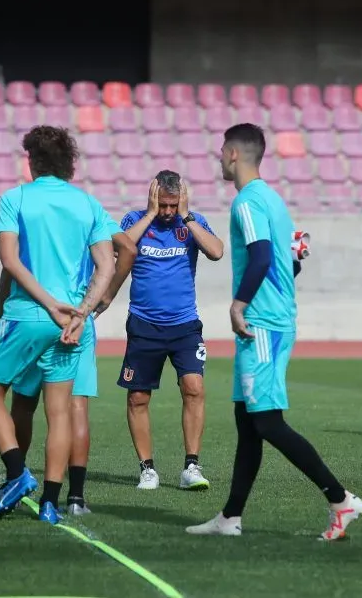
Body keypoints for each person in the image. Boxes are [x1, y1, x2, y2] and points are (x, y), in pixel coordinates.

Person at [187, 123, 362, 541]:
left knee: (266, 421)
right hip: (270, 320)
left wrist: (238, 303)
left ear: (232, 153)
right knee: (247, 421)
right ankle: (230, 517)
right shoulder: (273, 199)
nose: (218, 157)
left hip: (262, 323)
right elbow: (289, 259)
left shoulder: (248, 203)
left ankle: (341, 500)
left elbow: (263, 257)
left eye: (220, 150)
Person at [0, 125, 116, 524]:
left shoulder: (15, 198)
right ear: (69, 163)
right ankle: (52, 504)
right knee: (60, 413)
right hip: (70, 324)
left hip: (27, 315)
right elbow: (106, 265)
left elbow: (10, 261)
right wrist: (80, 312)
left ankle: (18, 474)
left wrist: (49, 304)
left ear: (31, 161)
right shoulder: (88, 203)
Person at [0, 225, 135, 515]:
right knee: (75, 407)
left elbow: (9, 267)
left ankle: (15, 480)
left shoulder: (29, 210)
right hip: (78, 317)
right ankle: (74, 498)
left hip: (32, 317)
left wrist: (2, 316)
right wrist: (106, 295)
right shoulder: (87, 212)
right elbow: (129, 248)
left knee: (22, 402)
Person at [118, 170, 224, 491]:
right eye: (161, 205)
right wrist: (149, 215)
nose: (167, 212)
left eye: (171, 205)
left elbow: (217, 251)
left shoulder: (190, 222)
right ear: (152, 197)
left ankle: (191, 465)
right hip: (144, 324)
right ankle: (147, 469)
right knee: (138, 397)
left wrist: (186, 215)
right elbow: (117, 248)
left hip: (184, 325)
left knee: (194, 388)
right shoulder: (133, 220)